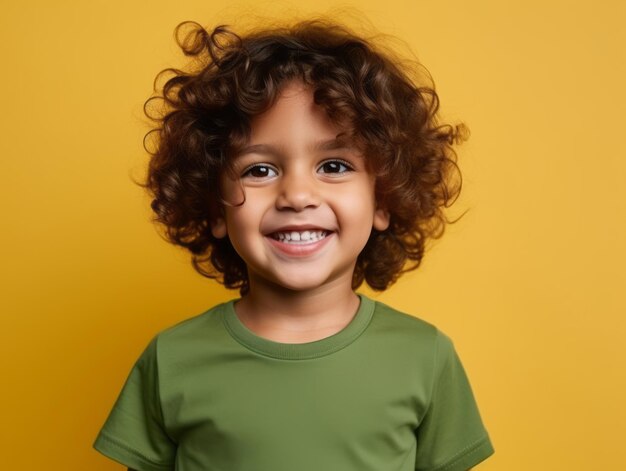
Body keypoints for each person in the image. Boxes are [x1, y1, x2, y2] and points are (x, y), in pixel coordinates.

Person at [93, 17, 495, 471]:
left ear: (383, 198)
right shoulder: (171, 359)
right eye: (259, 170)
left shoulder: (426, 357)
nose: (298, 196)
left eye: (335, 166)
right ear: (214, 207)